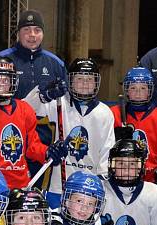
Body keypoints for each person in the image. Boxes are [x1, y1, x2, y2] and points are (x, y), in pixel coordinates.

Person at [0, 10, 68, 188]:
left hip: (43, 137)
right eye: (27, 30)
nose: (32, 35)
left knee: (36, 188)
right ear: (18, 33)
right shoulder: (2, 59)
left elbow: (67, 102)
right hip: (10, 134)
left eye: (37, 30)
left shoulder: (55, 63)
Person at [0, 55, 62, 189]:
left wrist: (47, 152)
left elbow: (31, 147)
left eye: (6, 80)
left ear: (13, 82)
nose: (1, 84)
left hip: (21, 184)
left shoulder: (24, 109)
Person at [43, 58, 115, 209]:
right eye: (79, 79)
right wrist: (43, 95)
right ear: (70, 81)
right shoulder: (56, 103)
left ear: (97, 83)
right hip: (57, 187)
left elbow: (107, 153)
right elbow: (27, 110)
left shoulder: (104, 113)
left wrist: (100, 184)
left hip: (88, 190)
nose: (84, 83)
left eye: (89, 79)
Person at [109, 67, 157, 182]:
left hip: (151, 179)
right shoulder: (114, 114)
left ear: (149, 91)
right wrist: (115, 141)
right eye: (133, 88)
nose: (138, 93)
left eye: (143, 88)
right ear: (126, 90)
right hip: (120, 175)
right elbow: (104, 147)